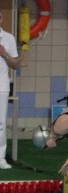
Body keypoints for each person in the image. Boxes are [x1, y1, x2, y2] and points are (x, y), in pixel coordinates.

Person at [0, 11, 19, 169]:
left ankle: (0, 158)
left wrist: (4, 54)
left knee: (0, 123)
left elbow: (15, 64)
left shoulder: (9, 38)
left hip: (1, 83)